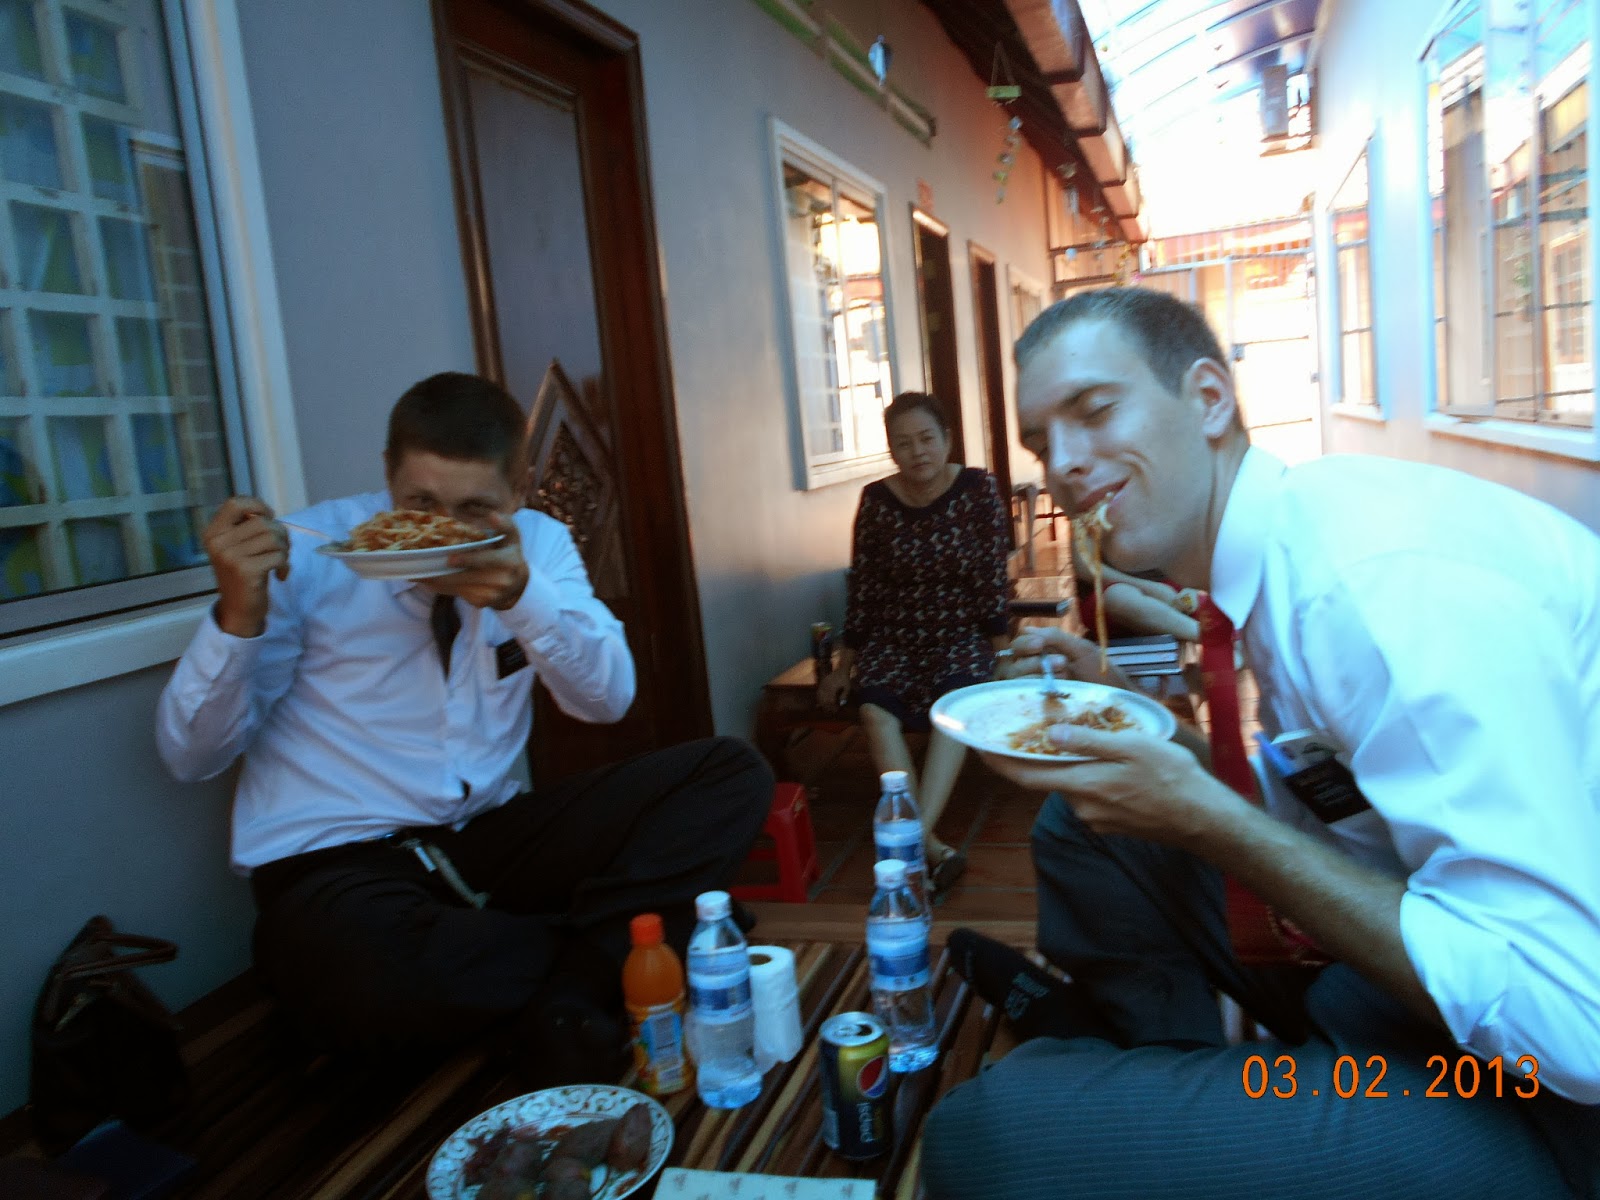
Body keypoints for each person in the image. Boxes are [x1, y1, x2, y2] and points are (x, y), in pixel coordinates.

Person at [923, 287, 1600, 1198]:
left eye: (1095, 410)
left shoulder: (1373, 590)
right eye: (1042, 443)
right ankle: (1181, 1089)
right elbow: (1334, 823)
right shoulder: (1283, 550)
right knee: (1084, 827)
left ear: (1209, 398)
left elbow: (1570, 1021)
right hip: (1429, 992)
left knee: (984, 1136)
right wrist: (1135, 714)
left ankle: (1145, 1093)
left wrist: (1208, 820)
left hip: (1554, 1099)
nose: (1064, 465)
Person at [155, 372, 771, 1085]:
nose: (442, 530)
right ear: (388, 478)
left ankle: (559, 975)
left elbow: (606, 701)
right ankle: (614, 957)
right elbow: (190, 756)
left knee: (728, 772)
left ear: (521, 489)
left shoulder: (539, 545)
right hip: (340, 867)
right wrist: (238, 614)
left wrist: (523, 599)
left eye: (474, 509)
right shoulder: (306, 555)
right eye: (420, 504)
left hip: (484, 842)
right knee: (357, 972)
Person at [816, 392, 1011, 901]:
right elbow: (864, 589)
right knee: (875, 711)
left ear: (947, 439)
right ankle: (928, 847)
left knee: (953, 710)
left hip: (960, 633)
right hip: (894, 636)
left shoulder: (978, 489)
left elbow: (991, 577)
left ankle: (909, 843)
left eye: (926, 438)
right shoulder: (876, 501)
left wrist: (1004, 654)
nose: (917, 451)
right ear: (891, 451)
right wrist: (843, 666)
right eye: (903, 443)